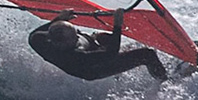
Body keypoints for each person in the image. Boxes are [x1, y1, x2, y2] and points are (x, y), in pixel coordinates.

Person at [27, 11, 169, 81]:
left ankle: (127, 59)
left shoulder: (38, 39)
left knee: (103, 37)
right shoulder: (76, 56)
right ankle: (164, 80)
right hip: (95, 69)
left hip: (91, 48)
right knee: (146, 54)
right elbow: (111, 53)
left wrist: (59, 18)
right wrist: (117, 25)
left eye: (76, 32)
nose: (78, 35)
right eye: (75, 37)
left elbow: (40, 31)